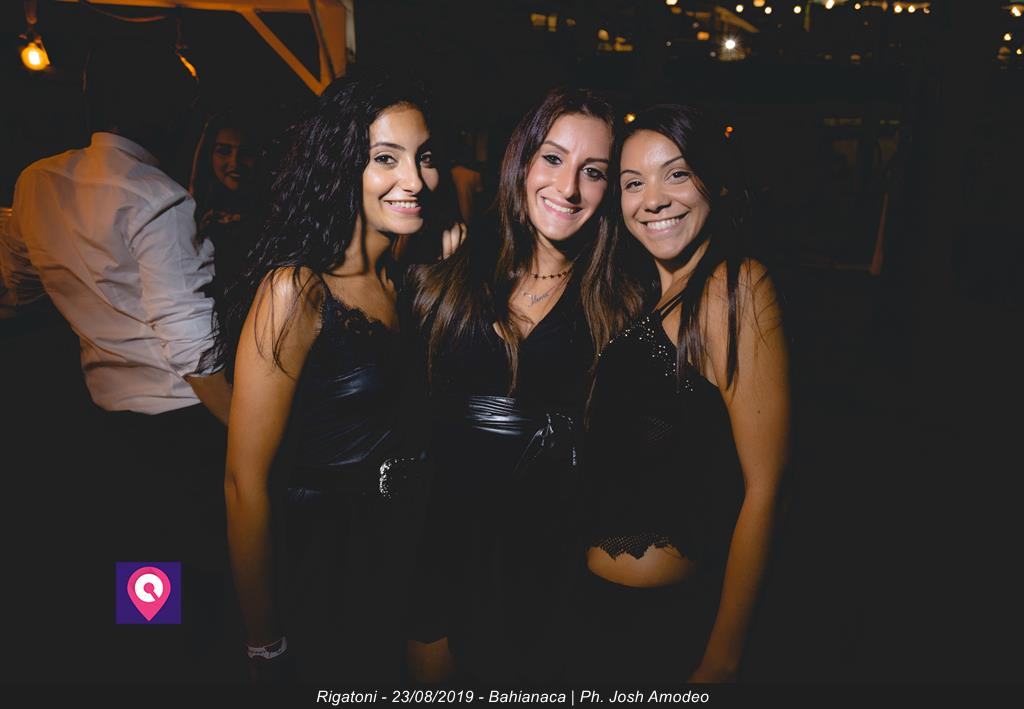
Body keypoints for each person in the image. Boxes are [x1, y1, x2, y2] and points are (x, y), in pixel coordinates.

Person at [219, 74, 462, 682]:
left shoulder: (409, 278)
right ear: (340, 166)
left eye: (425, 157)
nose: (415, 179)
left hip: (412, 550)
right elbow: (245, 483)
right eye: (386, 158)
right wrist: (263, 642)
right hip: (329, 565)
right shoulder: (296, 290)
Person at [8, 41, 234, 680]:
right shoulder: (157, 197)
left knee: (144, 572)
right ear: (161, 109)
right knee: (202, 573)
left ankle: (150, 672)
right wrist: (248, 431)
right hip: (184, 422)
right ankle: (195, 675)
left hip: (107, 422)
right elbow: (192, 348)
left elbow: (18, 281)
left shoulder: (36, 180)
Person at [406, 87, 642, 684]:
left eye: (593, 172)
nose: (568, 188)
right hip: (441, 560)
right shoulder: (452, 274)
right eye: (553, 158)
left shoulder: (621, 305)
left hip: (553, 583)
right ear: (523, 160)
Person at [571, 105, 790, 684]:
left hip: (663, 631)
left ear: (715, 182)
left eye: (676, 174)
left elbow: (766, 490)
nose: (653, 199)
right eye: (632, 183)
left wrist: (721, 660)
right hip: (591, 613)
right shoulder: (640, 296)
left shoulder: (735, 286)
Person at [189, 112, 260, 301]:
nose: (235, 162)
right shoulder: (190, 210)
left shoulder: (271, 212)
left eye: (245, 152)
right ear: (209, 154)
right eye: (223, 151)